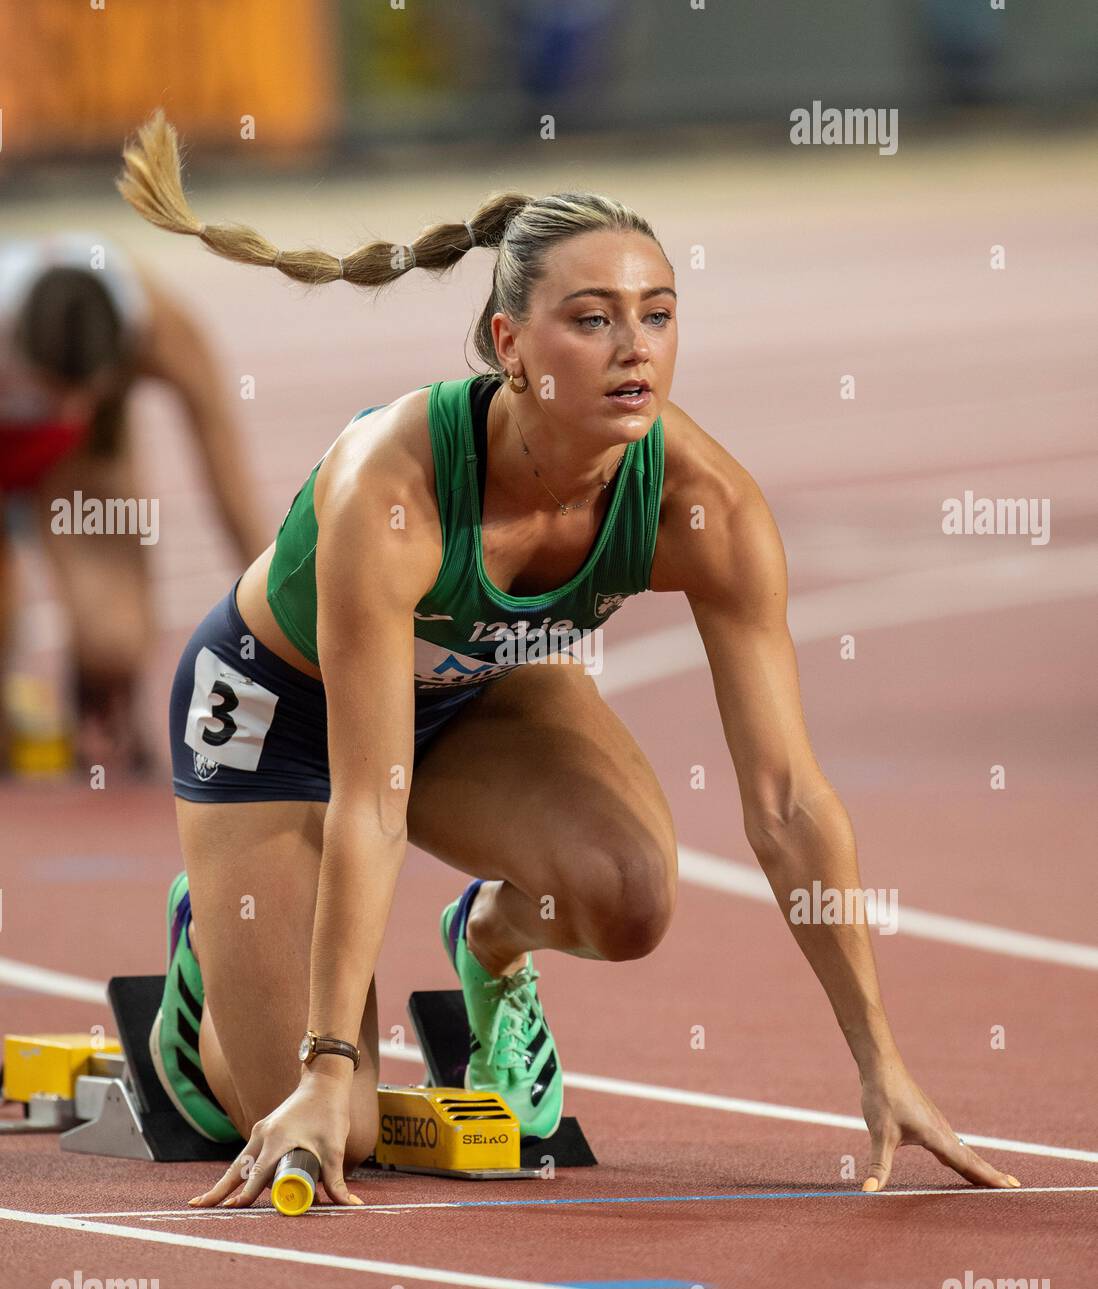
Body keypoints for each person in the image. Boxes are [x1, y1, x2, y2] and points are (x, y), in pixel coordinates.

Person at [116, 109, 1022, 1210]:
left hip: (478, 687)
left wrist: (881, 1062)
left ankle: (488, 941)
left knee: (632, 897)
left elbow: (787, 802)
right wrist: (320, 1066)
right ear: (509, 345)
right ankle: (209, 958)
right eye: (592, 320)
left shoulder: (706, 505)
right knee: (331, 1124)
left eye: (658, 315)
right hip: (283, 714)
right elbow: (371, 801)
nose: (635, 347)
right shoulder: (390, 494)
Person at [0, 231, 268, 772]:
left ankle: (94, 699)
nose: (67, 407)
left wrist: (277, 600)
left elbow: (224, 467)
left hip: (80, 457)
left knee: (114, 644)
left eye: (84, 392)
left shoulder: (159, 325)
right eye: (54, 390)